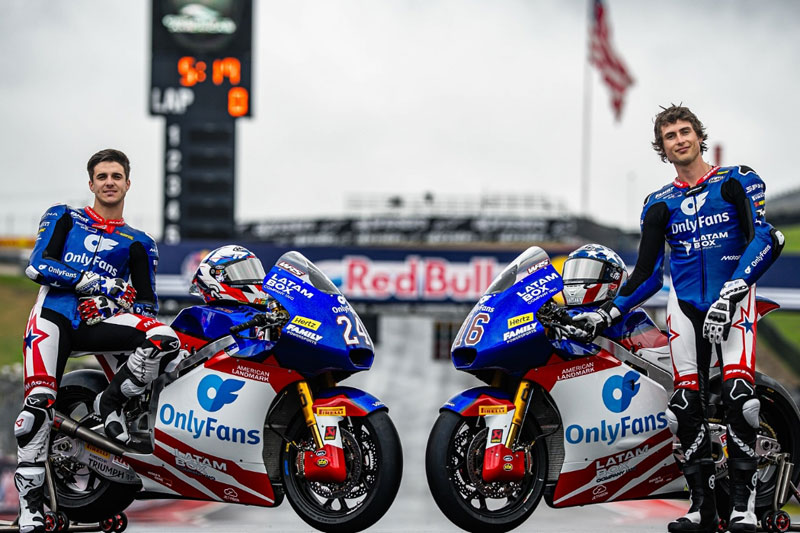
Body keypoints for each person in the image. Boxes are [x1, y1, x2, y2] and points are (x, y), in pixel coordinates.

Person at [574, 105, 785, 533]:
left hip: (734, 301)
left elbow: (766, 238)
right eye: (670, 136)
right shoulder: (658, 204)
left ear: (699, 136)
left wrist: (733, 290)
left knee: (739, 399)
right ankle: (702, 509)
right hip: (684, 306)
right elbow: (647, 275)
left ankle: (743, 509)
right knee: (683, 407)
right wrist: (606, 313)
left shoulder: (737, 180)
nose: (679, 140)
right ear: (662, 148)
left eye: (685, 131)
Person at [15, 149, 180, 533]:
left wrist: (112, 302)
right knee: (36, 408)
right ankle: (29, 510)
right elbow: (38, 265)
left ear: (127, 184)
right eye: (102, 176)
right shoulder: (64, 216)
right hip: (53, 317)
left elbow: (147, 305)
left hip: (97, 323)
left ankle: (110, 403)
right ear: (91, 183)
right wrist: (92, 283)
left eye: (116, 176)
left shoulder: (139, 242)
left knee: (164, 338)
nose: (109, 182)